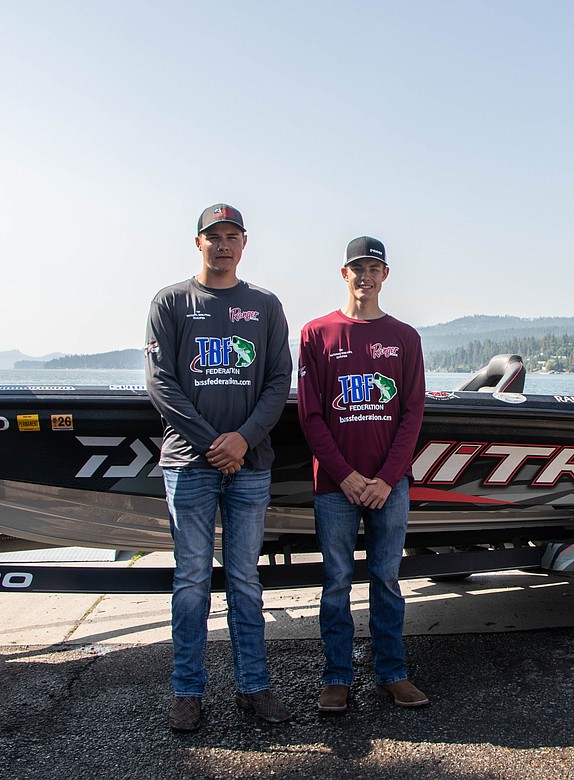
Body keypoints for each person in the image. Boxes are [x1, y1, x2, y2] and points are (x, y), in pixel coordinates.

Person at [145, 203, 292, 733]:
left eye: (232, 236)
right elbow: (161, 383)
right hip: (188, 464)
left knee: (246, 581)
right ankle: (188, 691)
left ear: (244, 244)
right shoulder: (172, 301)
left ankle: (254, 687)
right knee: (190, 582)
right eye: (214, 236)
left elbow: (279, 381)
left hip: (251, 464)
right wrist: (214, 444)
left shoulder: (265, 305)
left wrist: (244, 439)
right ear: (199, 243)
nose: (223, 245)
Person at [297, 235, 427, 713]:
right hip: (335, 486)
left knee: (386, 580)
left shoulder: (405, 337)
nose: (365, 276)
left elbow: (412, 413)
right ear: (344, 273)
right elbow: (311, 417)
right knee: (335, 583)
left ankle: (393, 673)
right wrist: (347, 476)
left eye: (374, 268)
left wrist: (388, 477)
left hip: (390, 487)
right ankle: (336, 677)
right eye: (357, 268)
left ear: (385, 275)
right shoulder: (317, 334)